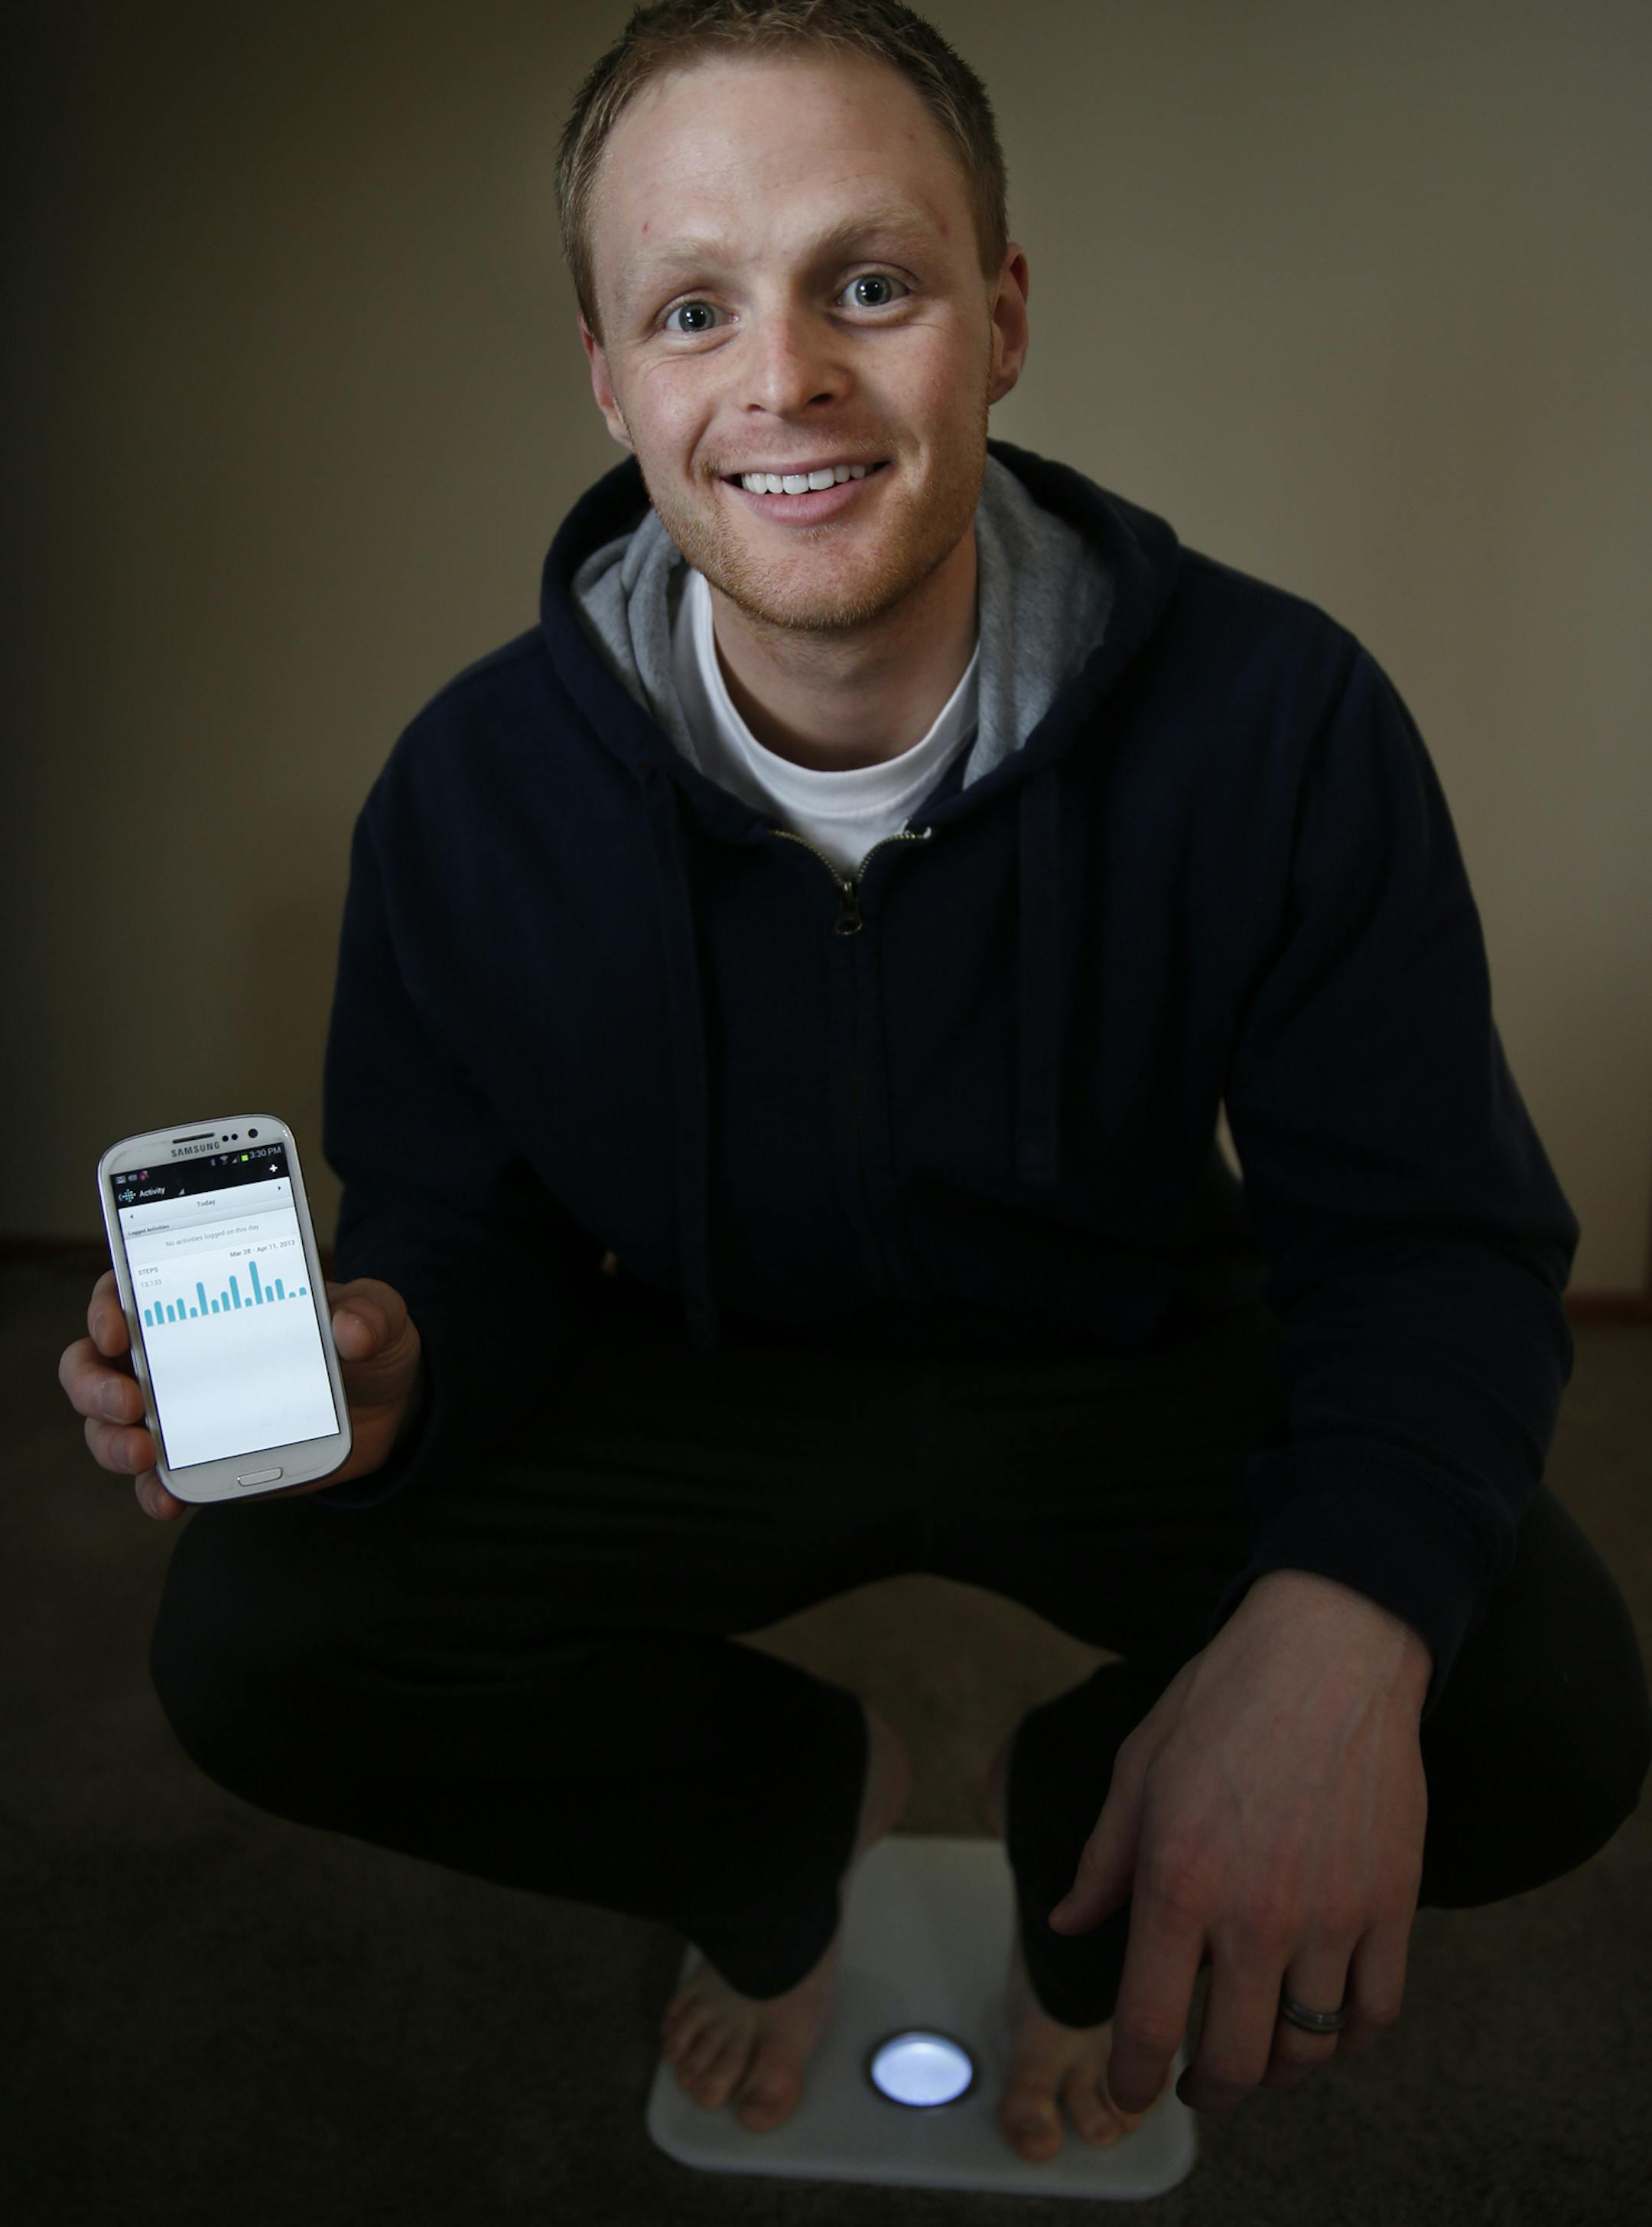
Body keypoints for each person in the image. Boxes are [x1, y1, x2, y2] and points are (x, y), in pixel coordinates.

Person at [58, 0, 1650, 2167]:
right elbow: (470, 1228)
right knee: (252, 1636)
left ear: (999, 319)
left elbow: (1431, 1241)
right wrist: (402, 1345)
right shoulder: (467, 794)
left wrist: (1332, 1642)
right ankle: (781, 1824)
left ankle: (1097, 1863)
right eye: (695, 307)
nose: (784, 376)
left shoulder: (1280, 720)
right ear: (615, 385)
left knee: (1541, 1703)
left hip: (1123, 1347)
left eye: (867, 284)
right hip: (701, 1366)